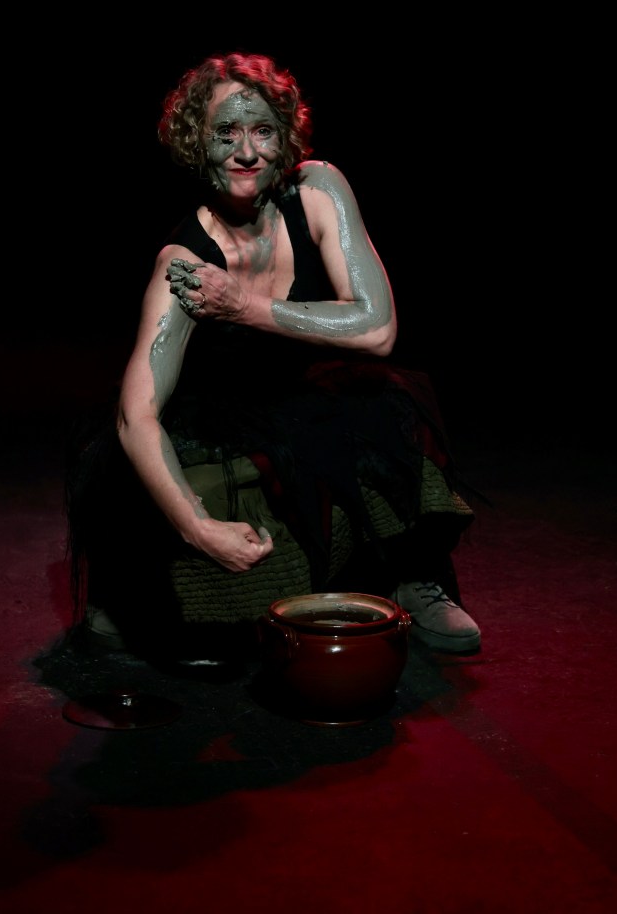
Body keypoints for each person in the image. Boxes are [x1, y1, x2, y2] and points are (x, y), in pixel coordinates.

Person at [65, 51, 483, 665]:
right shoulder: (184, 263)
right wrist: (198, 528)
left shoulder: (317, 188)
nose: (247, 152)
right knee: (219, 606)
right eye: (225, 133)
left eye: (262, 130)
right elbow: (136, 416)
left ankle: (410, 572)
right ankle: (133, 594)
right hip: (222, 419)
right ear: (196, 141)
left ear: (283, 136)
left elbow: (378, 328)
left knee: (394, 408)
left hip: (307, 395)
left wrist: (243, 306)